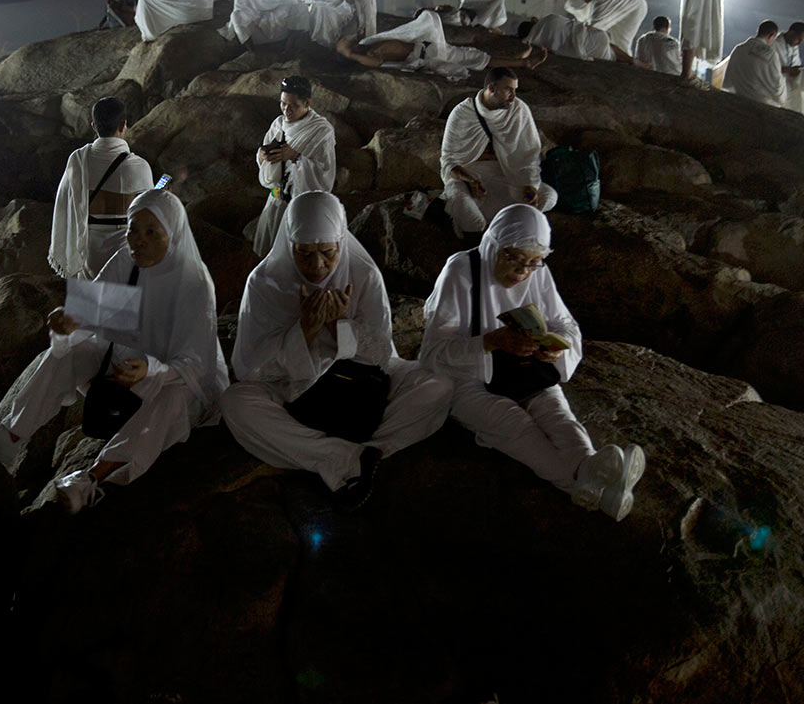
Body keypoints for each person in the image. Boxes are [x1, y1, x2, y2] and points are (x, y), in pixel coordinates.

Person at [0, 190, 228, 513]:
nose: (138, 240)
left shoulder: (193, 282)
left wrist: (149, 369)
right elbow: (91, 316)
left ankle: (93, 478)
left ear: (174, 233)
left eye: (152, 232)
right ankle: (9, 436)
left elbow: (194, 364)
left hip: (176, 380)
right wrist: (66, 325)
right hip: (125, 368)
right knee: (70, 353)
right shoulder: (127, 261)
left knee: (171, 401)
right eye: (133, 229)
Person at [222, 191, 453, 508]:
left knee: (437, 386)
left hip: (358, 379)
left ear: (341, 244)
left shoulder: (362, 273)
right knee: (236, 403)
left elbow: (382, 355)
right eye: (304, 254)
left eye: (327, 253)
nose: (316, 265)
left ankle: (342, 455)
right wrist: (304, 330)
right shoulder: (264, 282)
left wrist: (340, 325)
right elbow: (252, 368)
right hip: (289, 383)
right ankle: (351, 457)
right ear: (289, 244)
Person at [421, 204, 645, 520]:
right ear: (493, 246)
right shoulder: (462, 271)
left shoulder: (538, 274)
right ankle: (587, 482)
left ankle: (591, 476)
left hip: (526, 372)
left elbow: (565, 324)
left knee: (557, 415)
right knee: (514, 424)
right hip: (469, 377)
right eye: (514, 260)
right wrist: (492, 341)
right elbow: (434, 352)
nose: (522, 272)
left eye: (533, 264)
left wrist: (556, 348)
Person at [441, 67, 557, 239]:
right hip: (470, 176)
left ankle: (510, 228)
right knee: (463, 205)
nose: (514, 96)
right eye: (508, 89)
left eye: (515, 90)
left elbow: (529, 156)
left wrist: (530, 185)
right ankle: (481, 242)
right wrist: (471, 181)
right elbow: (448, 161)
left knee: (548, 196)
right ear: (491, 88)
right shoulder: (462, 113)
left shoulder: (518, 110)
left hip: (507, 176)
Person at [49, 96, 155, 280]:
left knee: (89, 306)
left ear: (93, 126)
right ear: (123, 125)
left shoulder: (78, 160)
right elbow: (151, 213)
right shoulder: (137, 166)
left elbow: (64, 202)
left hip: (86, 251)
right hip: (124, 252)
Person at [251, 75, 337, 256]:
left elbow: (325, 172)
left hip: (302, 206)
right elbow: (265, 156)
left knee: (296, 255)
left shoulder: (321, 130)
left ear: (307, 103)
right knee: (269, 253)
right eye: (283, 104)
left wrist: (297, 156)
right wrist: (261, 156)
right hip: (276, 201)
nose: (286, 110)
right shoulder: (278, 124)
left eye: (293, 105)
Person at [335, 8, 547, 79]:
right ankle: (522, 64)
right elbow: (377, 63)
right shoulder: (369, 54)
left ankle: (520, 62)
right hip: (432, 55)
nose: (344, 38)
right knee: (477, 58)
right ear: (345, 51)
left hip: (431, 48)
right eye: (342, 43)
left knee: (474, 55)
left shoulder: (368, 44)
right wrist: (350, 55)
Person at [718, 20, 798, 110]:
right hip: (762, 104)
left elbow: (728, 80)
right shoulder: (770, 53)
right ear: (771, 35)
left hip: (740, 99)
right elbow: (777, 85)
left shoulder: (739, 48)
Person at [565, 0, 648, 55]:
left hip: (636, 6)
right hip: (624, 0)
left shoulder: (602, 3)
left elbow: (591, 29)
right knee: (608, 34)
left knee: (620, 40)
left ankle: (627, 60)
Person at [523, 13, 634, 63]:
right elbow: (575, 24)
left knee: (612, 57)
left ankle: (629, 62)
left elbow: (553, 49)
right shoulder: (550, 18)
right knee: (610, 46)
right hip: (596, 36)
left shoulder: (537, 40)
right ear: (533, 21)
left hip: (586, 49)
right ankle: (631, 60)